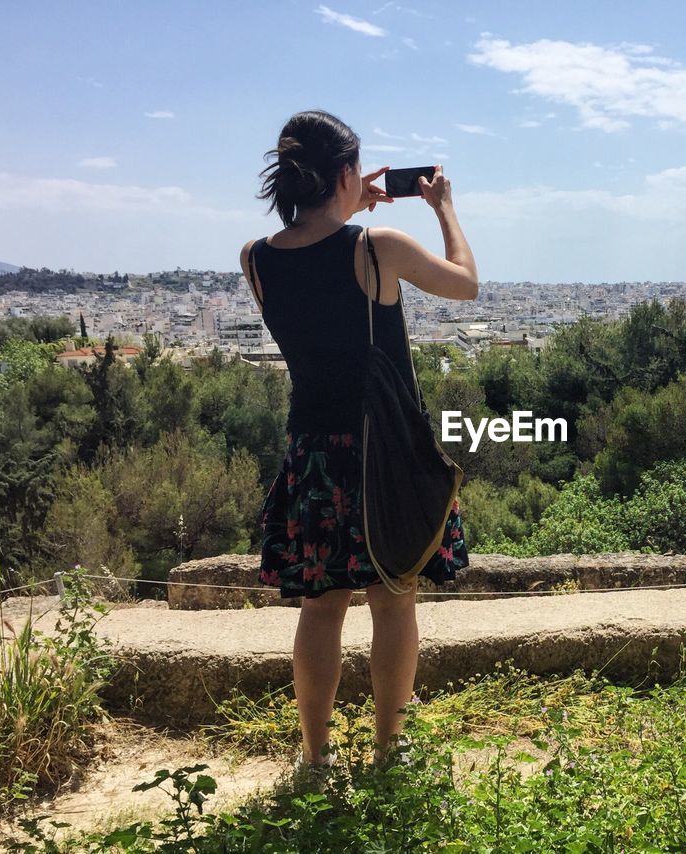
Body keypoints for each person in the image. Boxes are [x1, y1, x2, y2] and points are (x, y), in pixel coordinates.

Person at [239, 110, 477, 768]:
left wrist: (344, 203)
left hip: (312, 452)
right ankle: (388, 751)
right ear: (346, 173)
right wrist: (445, 209)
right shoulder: (378, 247)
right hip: (382, 453)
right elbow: (466, 282)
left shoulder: (255, 260)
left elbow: (316, 299)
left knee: (321, 610)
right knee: (394, 604)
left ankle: (315, 759)